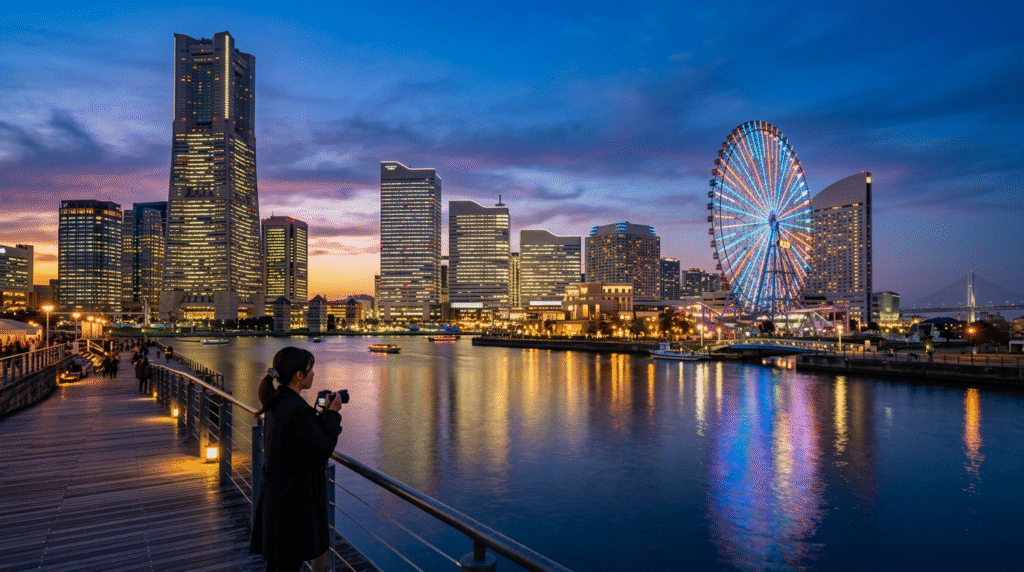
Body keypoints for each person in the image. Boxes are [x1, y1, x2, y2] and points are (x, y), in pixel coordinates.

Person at [250, 347, 343, 572]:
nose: (314, 374)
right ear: (298, 376)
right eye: (310, 370)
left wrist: (318, 415)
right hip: (291, 503)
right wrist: (333, 414)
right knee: (287, 564)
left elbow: (303, 435)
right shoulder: (293, 409)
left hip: (279, 496)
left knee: (280, 564)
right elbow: (323, 448)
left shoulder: (280, 401)